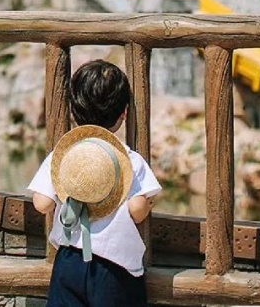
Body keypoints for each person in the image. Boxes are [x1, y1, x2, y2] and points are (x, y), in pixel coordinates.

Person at [28, 60, 162, 306]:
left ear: (73, 110)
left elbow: (42, 203)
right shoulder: (129, 159)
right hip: (114, 266)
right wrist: (147, 204)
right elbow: (137, 210)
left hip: (69, 259)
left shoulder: (63, 155)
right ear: (123, 113)